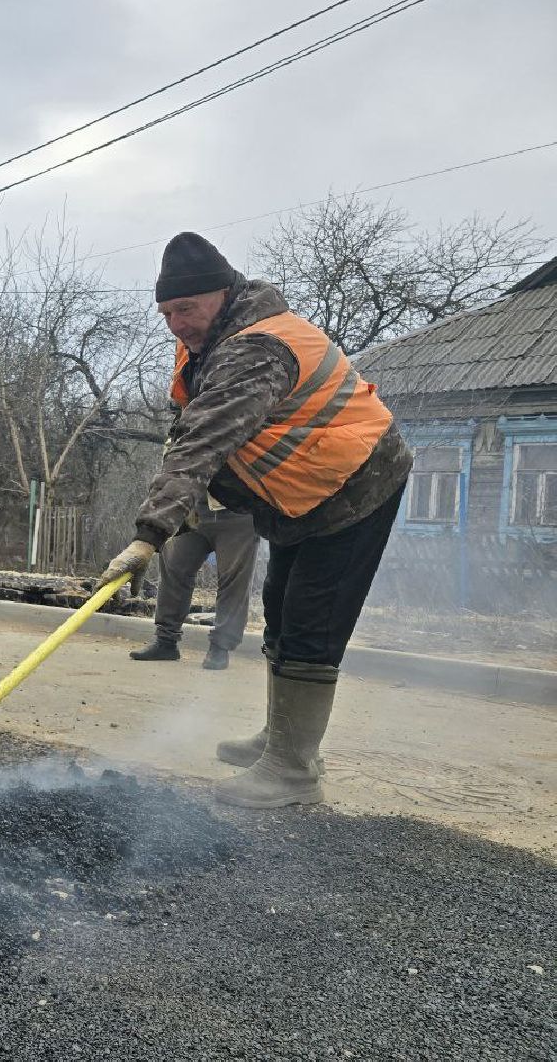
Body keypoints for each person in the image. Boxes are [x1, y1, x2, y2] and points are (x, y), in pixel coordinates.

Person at [100, 232, 411, 809]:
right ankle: (284, 739)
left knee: (312, 620)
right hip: (302, 494)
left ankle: (294, 769)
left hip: (357, 486)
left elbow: (201, 443)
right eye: (166, 313)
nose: (176, 324)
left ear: (222, 294)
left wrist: (148, 536)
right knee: (283, 605)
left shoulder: (255, 349)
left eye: (186, 309)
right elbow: (188, 434)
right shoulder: (207, 343)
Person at [128, 496, 259, 670]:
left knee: (233, 578)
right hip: (195, 508)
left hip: (240, 512)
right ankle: (165, 640)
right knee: (174, 564)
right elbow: (173, 476)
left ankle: (220, 647)